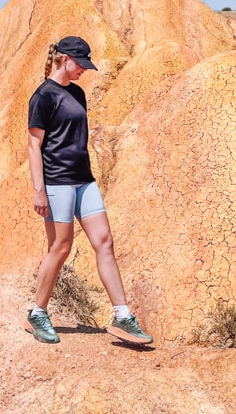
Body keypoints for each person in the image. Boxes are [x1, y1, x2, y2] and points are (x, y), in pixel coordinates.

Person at [25, 35, 153, 346]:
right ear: (65, 59)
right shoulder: (43, 96)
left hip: (84, 179)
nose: (84, 70)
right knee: (61, 248)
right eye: (80, 64)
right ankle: (37, 313)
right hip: (57, 181)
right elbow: (33, 145)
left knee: (105, 242)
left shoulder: (78, 94)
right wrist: (39, 191)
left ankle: (122, 316)